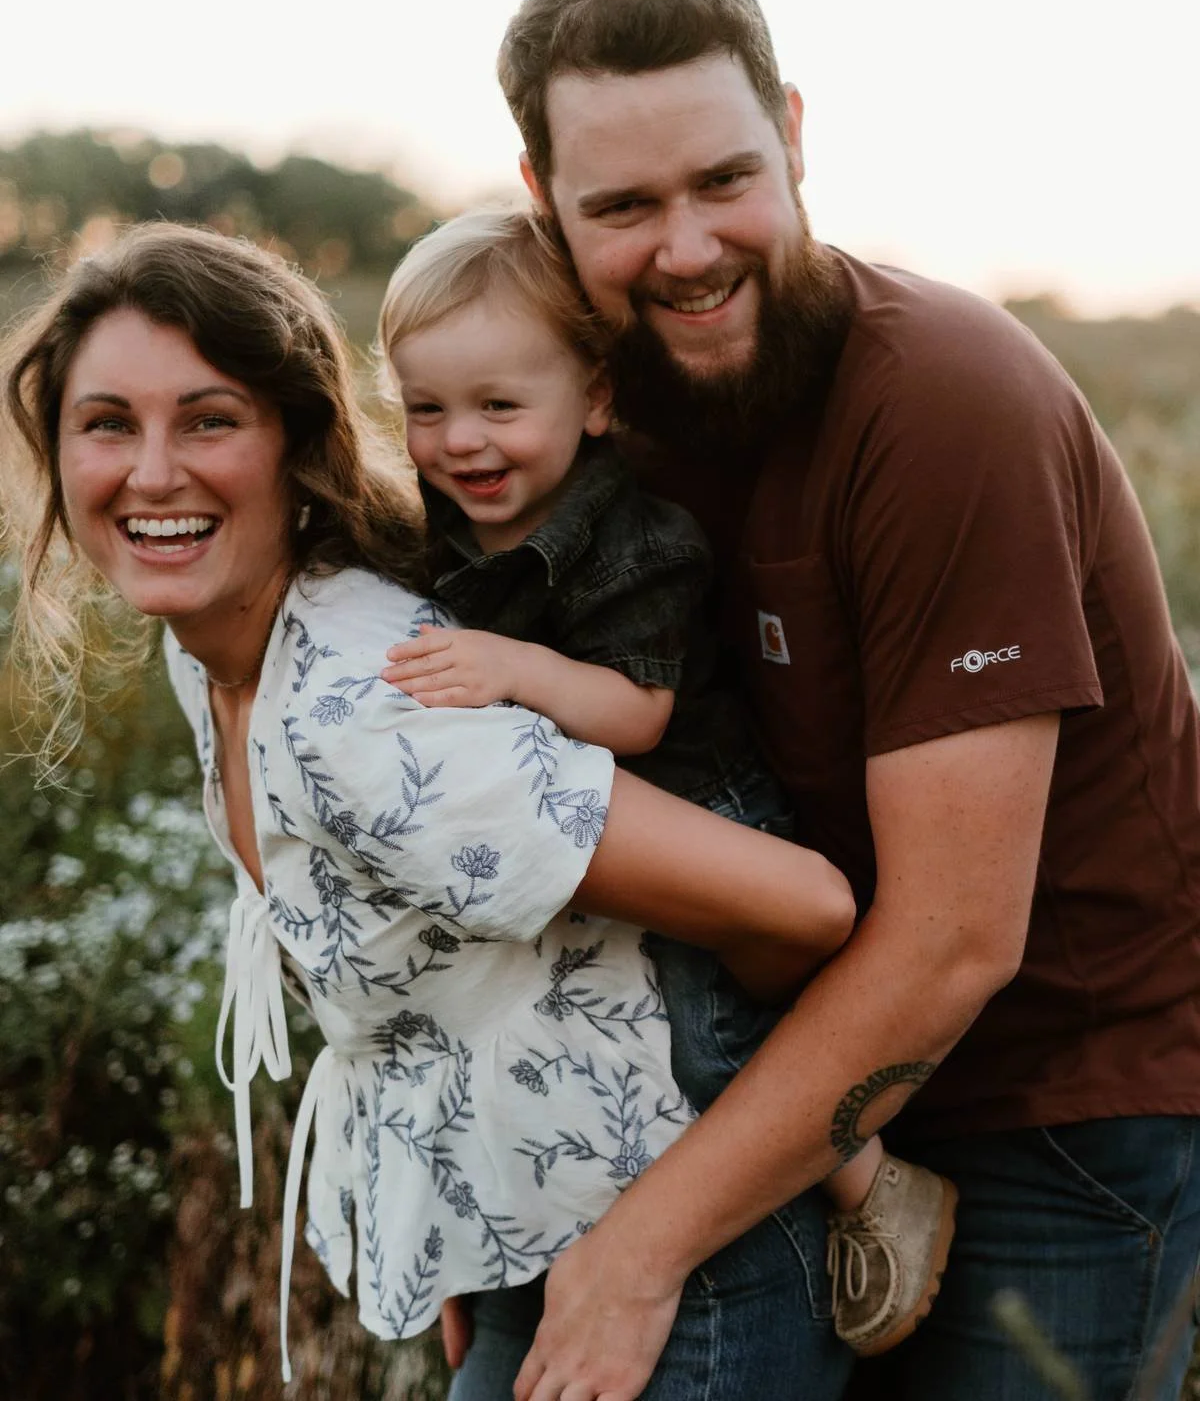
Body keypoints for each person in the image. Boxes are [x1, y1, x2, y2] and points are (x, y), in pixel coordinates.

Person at [485, 0, 1200, 1401]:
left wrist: (632, 1255)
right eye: (624, 205)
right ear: (541, 198)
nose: (686, 247)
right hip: (791, 1102)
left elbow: (953, 942)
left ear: (795, 137)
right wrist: (501, 1231)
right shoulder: (599, 417)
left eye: (723, 181)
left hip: (1059, 1115)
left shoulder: (945, 402)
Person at [0, 221, 866, 1397]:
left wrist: (659, 1233)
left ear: (296, 446)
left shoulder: (373, 709)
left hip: (683, 1277)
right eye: (108, 423)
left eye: (208, 420)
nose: (154, 474)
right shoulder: (214, 645)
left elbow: (804, 907)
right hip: (532, 1252)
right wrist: (469, 1226)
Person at [374, 204, 957, 1364]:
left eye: (499, 406)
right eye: (426, 409)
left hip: (700, 804)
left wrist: (512, 669)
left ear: (593, 400)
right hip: (588, 831)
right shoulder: (442, 528)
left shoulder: (638, 538)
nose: (462, 443)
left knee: (704, 1032)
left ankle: (873, 1184)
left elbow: (636, 711)